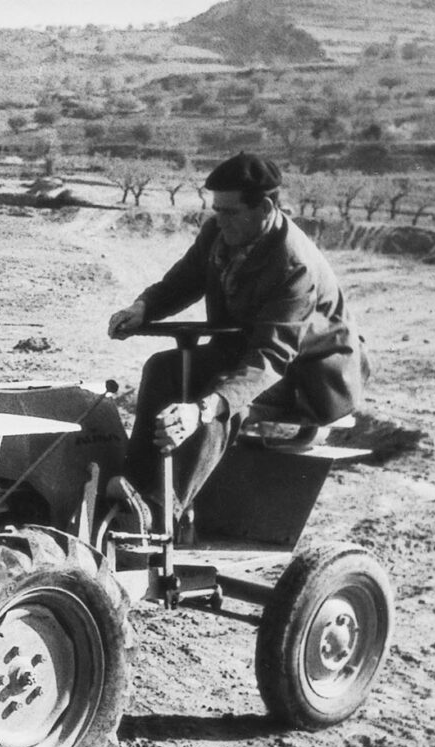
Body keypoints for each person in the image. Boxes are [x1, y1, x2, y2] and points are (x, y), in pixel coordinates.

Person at [107, 150, 367, 526]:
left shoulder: (295, 266)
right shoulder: (221, 232)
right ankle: (135, 482)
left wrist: (203, 410)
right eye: (217, 210)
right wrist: (144, 308)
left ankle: (161, 511)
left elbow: (271, 358)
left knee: (223, 397)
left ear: (263, 208)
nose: (219, 218)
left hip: (309, 376)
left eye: (229, 211)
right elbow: (185, 280)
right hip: (247, 351)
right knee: (164, 367)